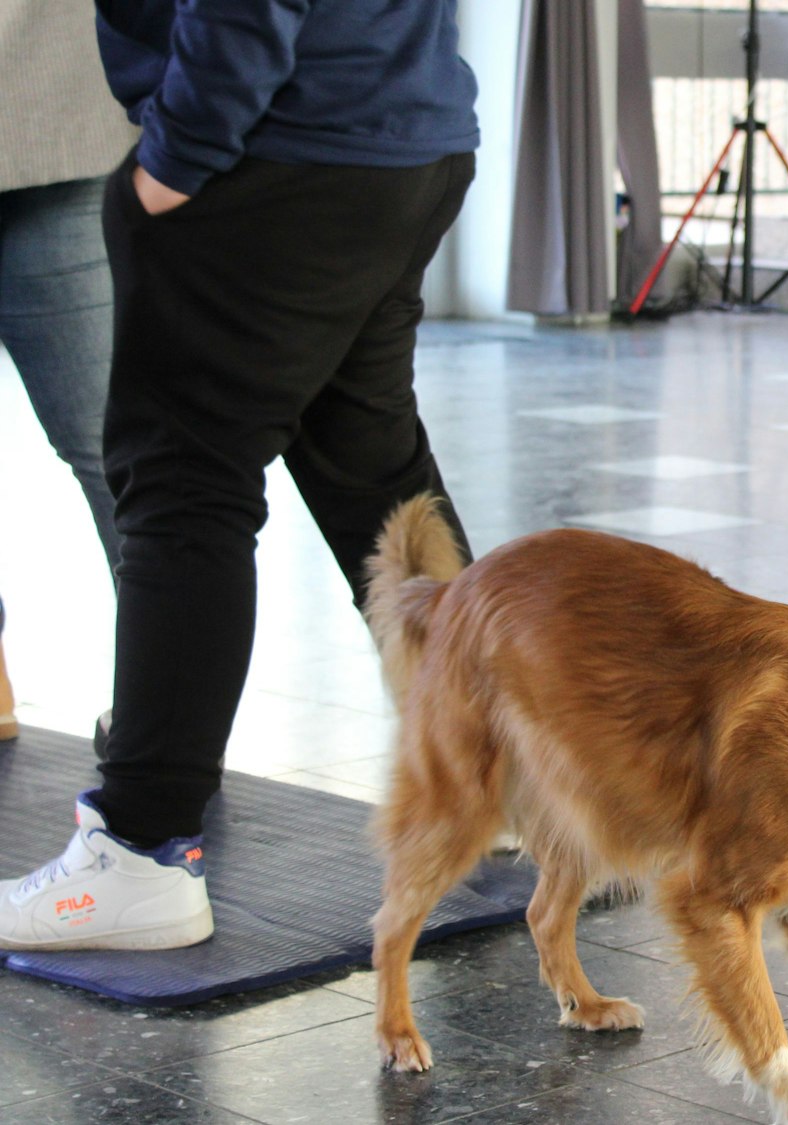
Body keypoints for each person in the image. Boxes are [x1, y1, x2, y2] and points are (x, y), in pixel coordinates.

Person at [0, 0, 479, 953]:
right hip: (399, 128)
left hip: (278, 148)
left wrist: (174, 162)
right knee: (370, 466)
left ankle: (140, 851)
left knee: (185, 485)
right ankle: (495, 771)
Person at [0, 0, 135, 744]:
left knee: (123, 459)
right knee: (120, 456)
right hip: (67, 110)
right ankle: (164, 717)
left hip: (64, 122)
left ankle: (162, 716)